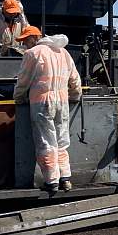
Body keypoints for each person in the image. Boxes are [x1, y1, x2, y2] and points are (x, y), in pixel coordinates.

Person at [13, 26, 82, 195]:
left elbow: (23, 80)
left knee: (46, 142)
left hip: (42, 103)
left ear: (33, 38)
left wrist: (18, 98)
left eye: (25, 40)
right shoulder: (63, 52)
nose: (24, 44)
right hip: (62, 102)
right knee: (61, 140)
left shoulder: (33, 53)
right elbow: (75, 78)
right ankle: (65, 178)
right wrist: (75, 96)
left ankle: (51, 181)